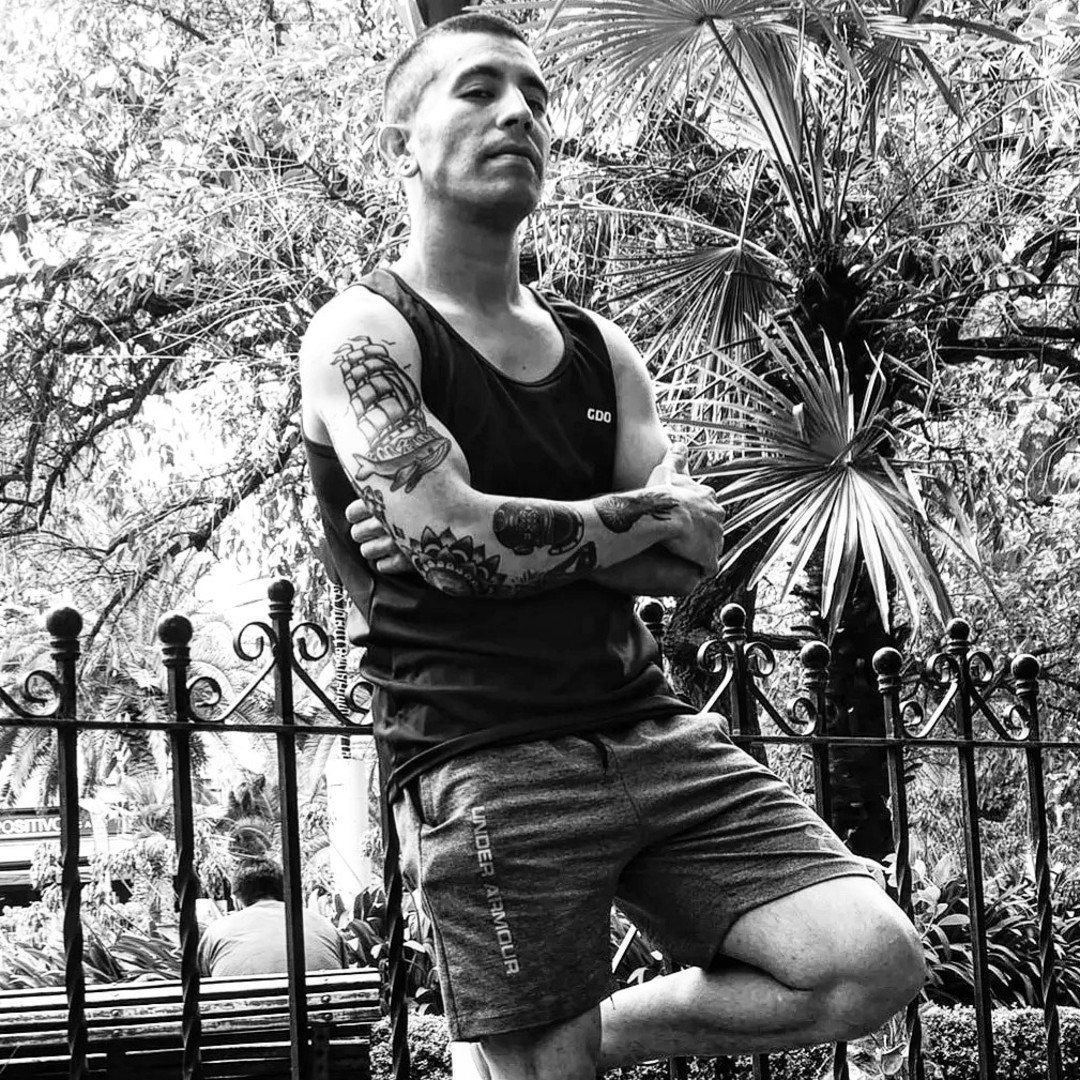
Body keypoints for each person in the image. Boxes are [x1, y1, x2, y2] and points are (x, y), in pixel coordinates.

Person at [299, 12, 925, 1079]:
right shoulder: (365, 333)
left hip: (651, 727)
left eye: (536, 99)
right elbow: (458, 542)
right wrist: (597, 522)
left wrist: (491, 528)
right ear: (402, 141)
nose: (518, 113)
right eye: (479, 89)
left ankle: (592, 1040)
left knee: (871, 963)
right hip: (484, 749)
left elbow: (688, 555)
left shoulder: (601, 349)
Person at [197, 858, 346, 977]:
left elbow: (202, 986)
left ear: (236, 899)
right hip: (318, 1007)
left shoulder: (217, 931)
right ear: (285, 892)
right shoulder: (325, 927)